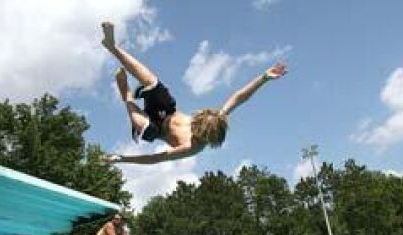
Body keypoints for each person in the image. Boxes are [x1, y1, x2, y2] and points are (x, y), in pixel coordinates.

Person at [100, 22, 288, 165]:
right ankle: (113, 47)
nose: (196, 136)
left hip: (157, 129)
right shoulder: (217, 117)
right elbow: (240, 97)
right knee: (152, 81)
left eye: (201, 138)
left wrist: (122, 158)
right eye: (197, 131)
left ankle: (127, 94)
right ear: (201, 119)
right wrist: (264, 77)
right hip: (167, 110)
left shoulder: (192, 148)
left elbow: (156, 158)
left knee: (146, 127)